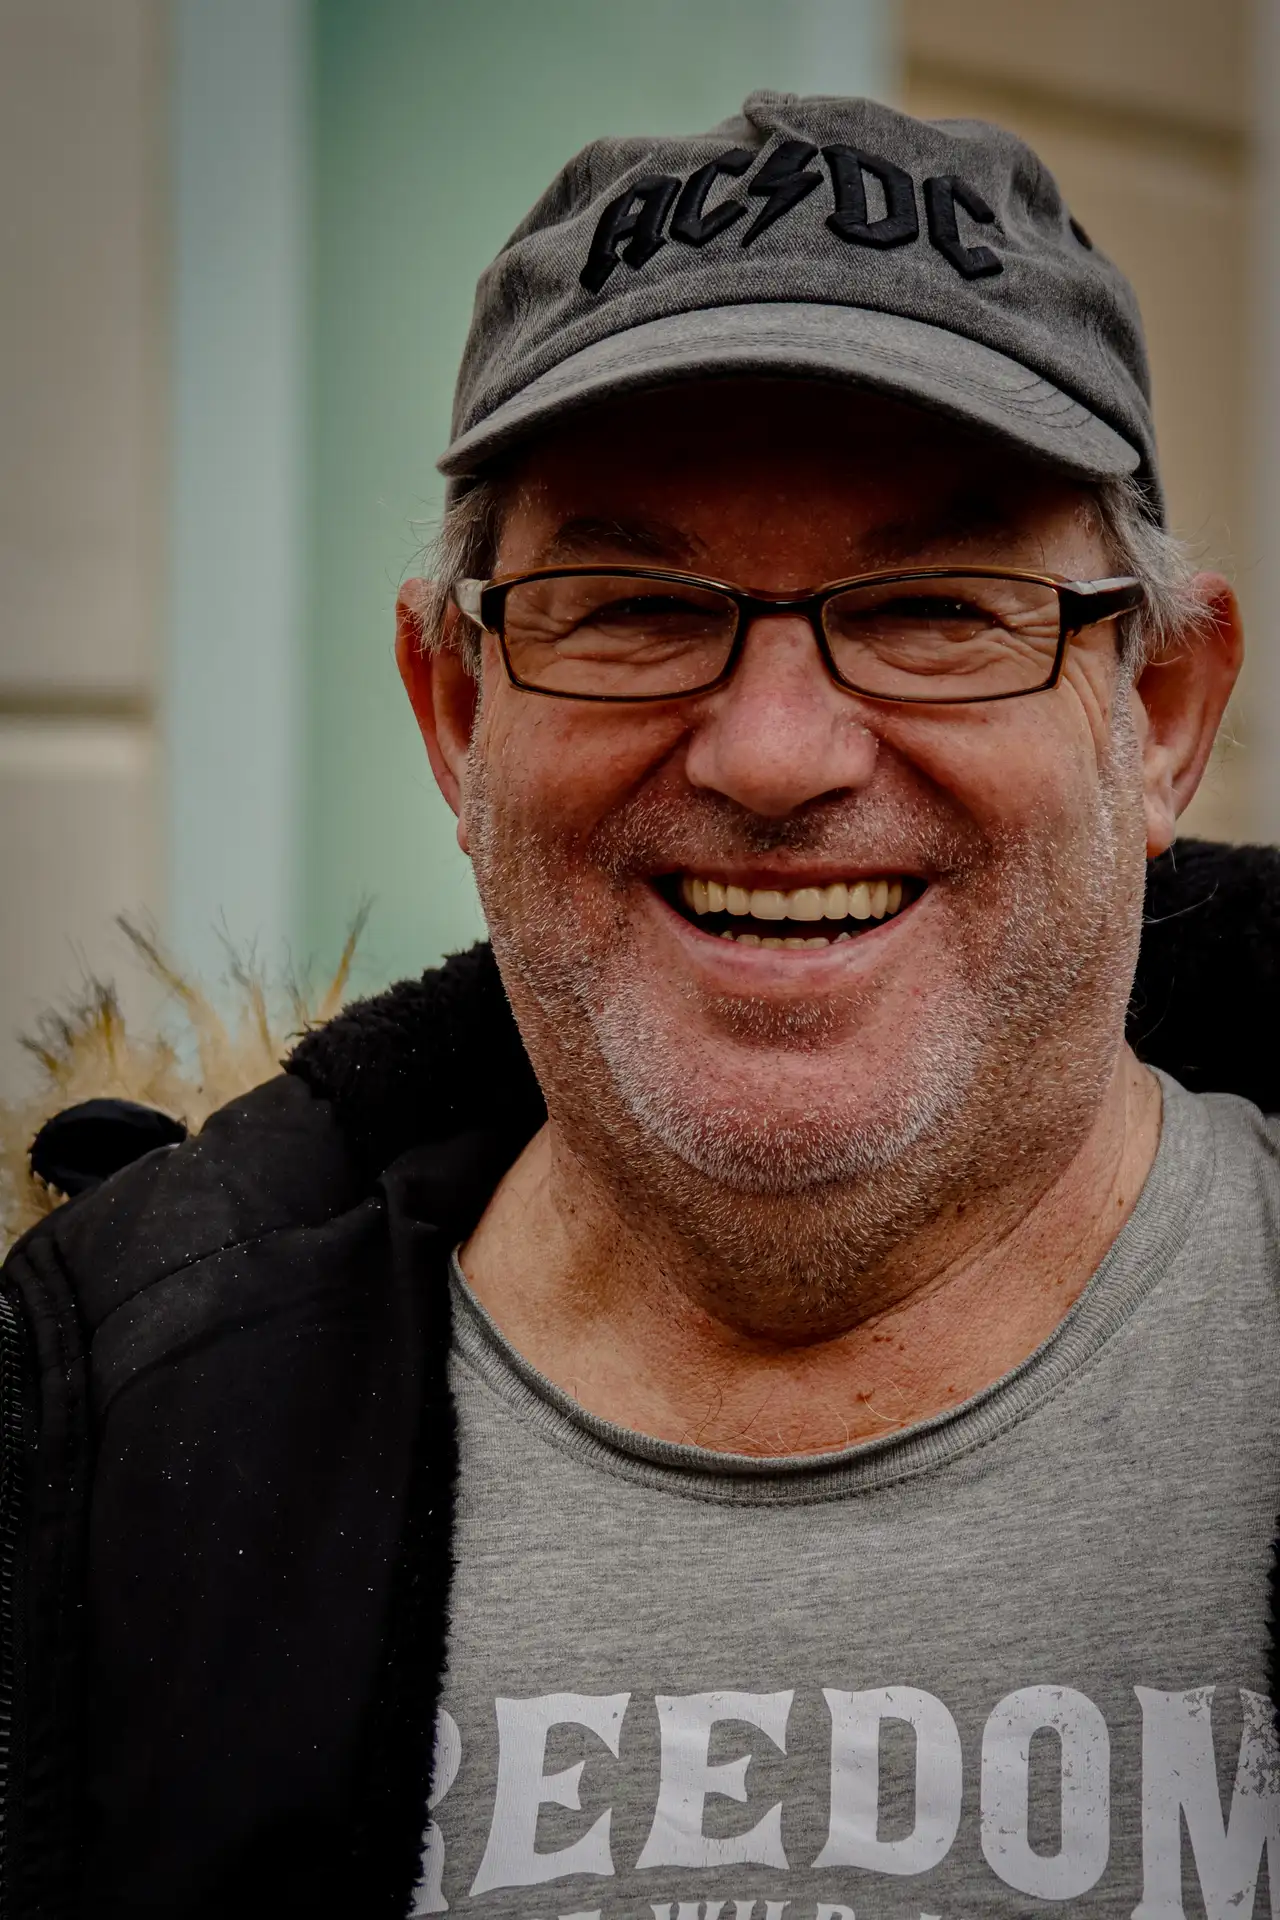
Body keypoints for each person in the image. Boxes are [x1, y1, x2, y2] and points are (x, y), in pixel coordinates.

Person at [1, 90, 1277, 1920]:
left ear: (1157, 713)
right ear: (454, 714)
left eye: (933, 602)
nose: (772, 753)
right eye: (629, 605)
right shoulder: (109, 1458)